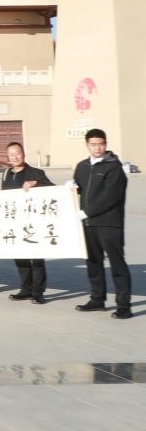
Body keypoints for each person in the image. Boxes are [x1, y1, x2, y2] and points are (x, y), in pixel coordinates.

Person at [73, 128, 131, 319]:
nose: (97, 148)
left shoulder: (114, 167)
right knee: (93, 262)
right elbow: (80, 187)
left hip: (109, 223)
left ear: (106, 144)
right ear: (87, 145)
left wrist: (86, 212)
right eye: (93, 144)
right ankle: (97, 299)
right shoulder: (82, 166)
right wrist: (72, 187)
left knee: (117, 263)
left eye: (101, 144)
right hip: (88, 223)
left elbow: (111, 197)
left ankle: (124, 306)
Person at [1, 142, 54, 303]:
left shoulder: (36, 173)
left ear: (23, 154)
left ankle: (38, 292)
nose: (15, 157)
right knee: (20, 256)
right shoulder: (6, 174)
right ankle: (26, 289)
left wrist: (35, 184)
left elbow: (53, 189)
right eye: (11, 155)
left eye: (18, 153)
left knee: (36, 258)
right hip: (15, 222)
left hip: (33, 222)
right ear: (8, 158)